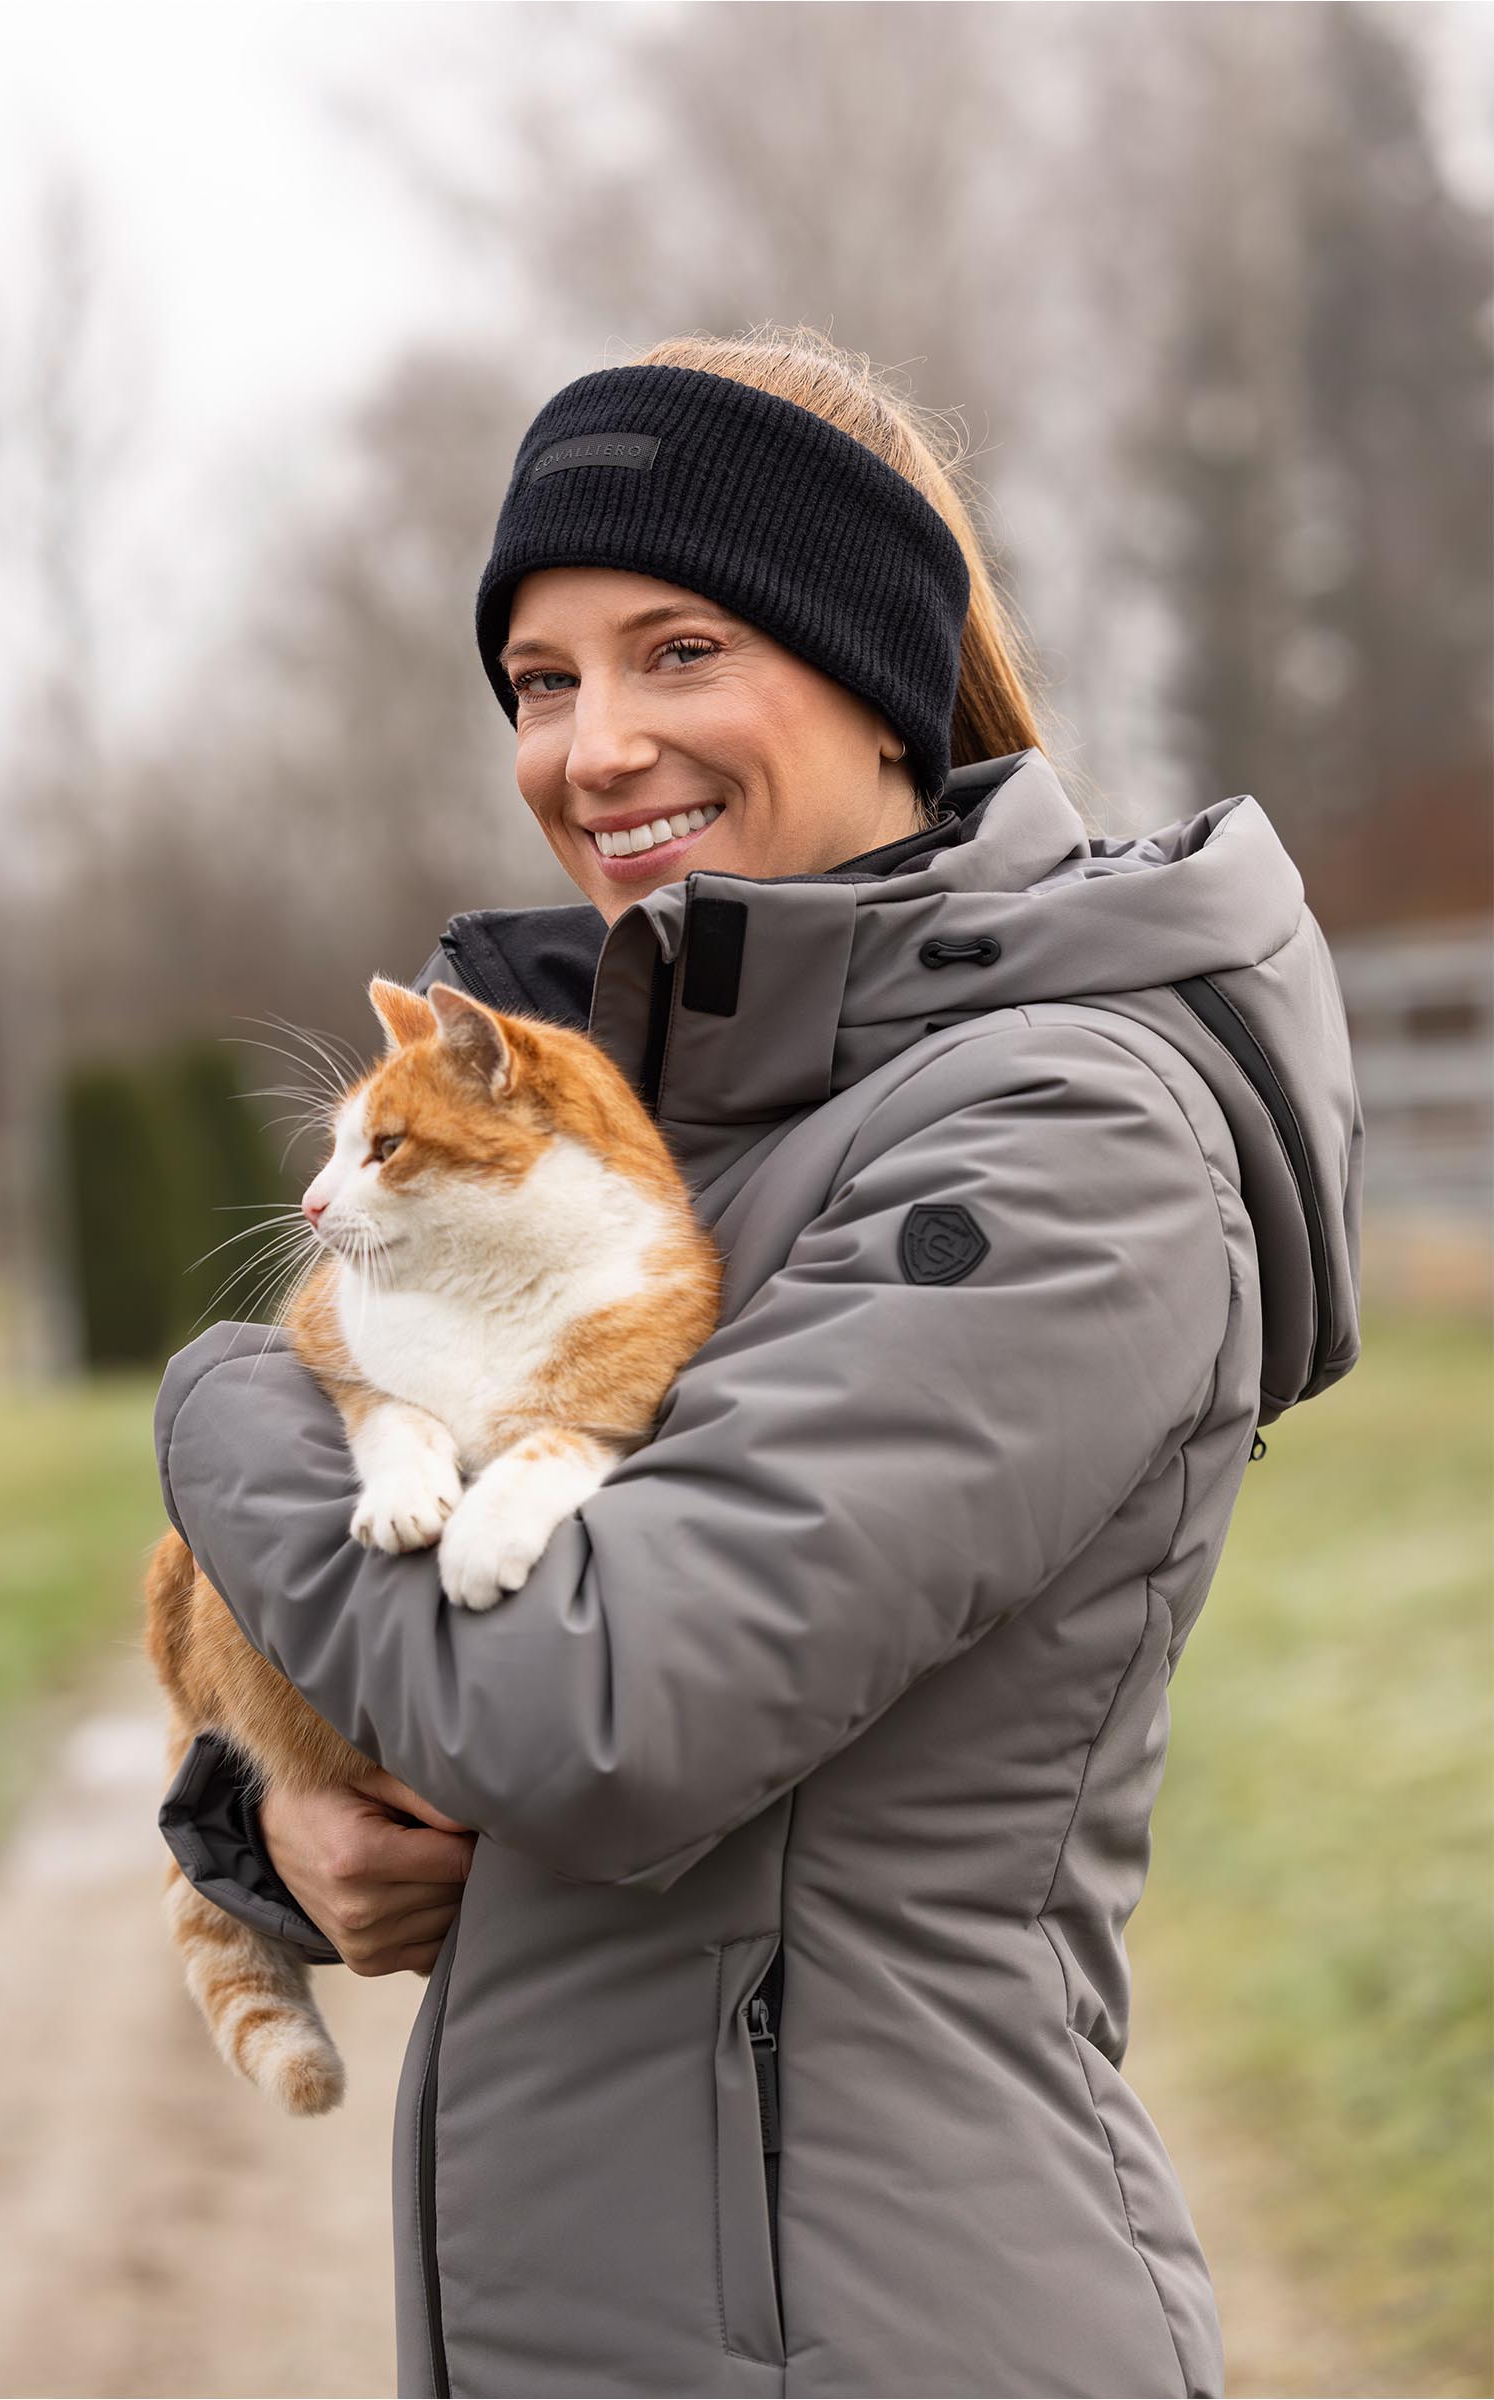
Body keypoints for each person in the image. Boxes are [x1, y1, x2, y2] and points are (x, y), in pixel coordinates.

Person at [155, 329, 1364, 2399]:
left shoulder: (1064, 1135)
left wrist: (224, 1405)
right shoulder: (668, 1117)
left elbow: (601, 1709)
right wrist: (265, 1811)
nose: (594, 746)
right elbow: (450, 1654)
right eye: (542, 682)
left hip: (874, 2330)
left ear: (878, 677)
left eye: (681, 652)